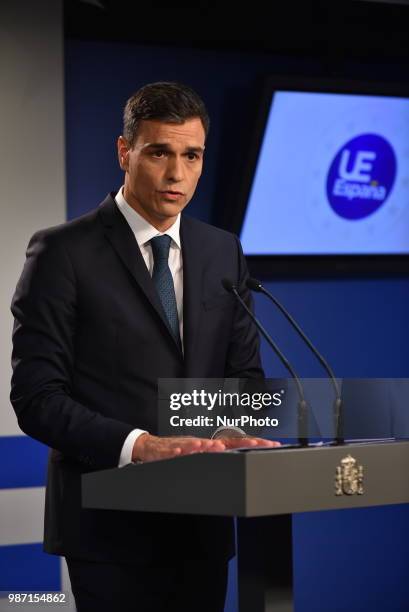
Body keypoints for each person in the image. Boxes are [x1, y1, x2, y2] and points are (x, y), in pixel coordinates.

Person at [10, 81, 278, 612]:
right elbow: (37, 397)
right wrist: (141, 446)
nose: (177, 173)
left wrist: (235, 423)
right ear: (125, 151)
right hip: (108, 532)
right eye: (159, 152)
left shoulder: (222, 252)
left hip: (202, 524)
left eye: (192, 155)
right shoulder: (62, 252)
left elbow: (246, 376)